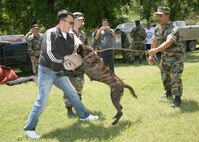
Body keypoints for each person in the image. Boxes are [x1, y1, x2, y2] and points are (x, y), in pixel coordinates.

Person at [24, 10, 99, 140]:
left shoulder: (70, 34)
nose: (72, 24)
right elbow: (49, 53)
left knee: (73, 93)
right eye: (70, 22)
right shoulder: (50, 33)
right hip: (47, 71)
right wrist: (65, 59)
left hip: (60, 72)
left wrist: (91, 52)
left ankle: (84, 116)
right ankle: (29, 129)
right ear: (62, 21)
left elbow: (80, 46)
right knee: (42, 99)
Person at [147, 6, 184, 108]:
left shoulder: (174, 29)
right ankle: (168, 92)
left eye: (161, 16)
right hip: (165, 57)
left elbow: (168, 42)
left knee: (175, 77)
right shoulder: (157, 28)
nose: (158, 18)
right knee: (165, 77)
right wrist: (152, 54)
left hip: (176, 58)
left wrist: (156, 50)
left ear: (168, 16)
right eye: (158, 16)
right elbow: (154, 41)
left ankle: (177, 99)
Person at [63, 12, 87, 117]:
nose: (80, 22)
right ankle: (69, 110)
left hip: (80, 66)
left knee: (79, 86)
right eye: (78, 20)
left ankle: (78, 107)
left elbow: (85, 49)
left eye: (81, 20)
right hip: (68, 65)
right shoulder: (66, 33)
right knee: (68, 87)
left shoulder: (84, 34)